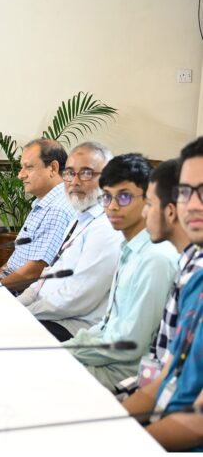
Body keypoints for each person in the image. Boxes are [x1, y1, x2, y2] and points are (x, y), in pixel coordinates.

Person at [61, 153, 177, 391]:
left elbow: (129, 345)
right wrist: (64, 349)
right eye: (107, 197)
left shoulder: (155, 258)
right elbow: (106, 326)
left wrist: (65, 354)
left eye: (124, 197)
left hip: (126, 375)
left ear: (148, 199)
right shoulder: (129, 249)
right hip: (106, 362)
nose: (112, 206)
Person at [122, 138, 203, 451]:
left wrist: (116, 445)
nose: (191, 205)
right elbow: (166, 378)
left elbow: (197, 422)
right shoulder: (195, 276)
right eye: (185, 191)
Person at [17, 142, 124, 341]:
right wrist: (18, 304)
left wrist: (24, 313)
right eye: (69, 173)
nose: (74, 181)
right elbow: (48, 274)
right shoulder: (80, 217)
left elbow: (78, 298)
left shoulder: (107, 227)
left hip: (72, 327)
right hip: (47, 314)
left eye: (86, 173)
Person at [0, 139, 76, 287]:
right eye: (22, 168)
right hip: (7, 286)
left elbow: (32, 274)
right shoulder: (44, 203)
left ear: (53, 168)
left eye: (29, 167)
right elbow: (14, 262)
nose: (20, 175)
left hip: (21, 293)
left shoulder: (56, 209)